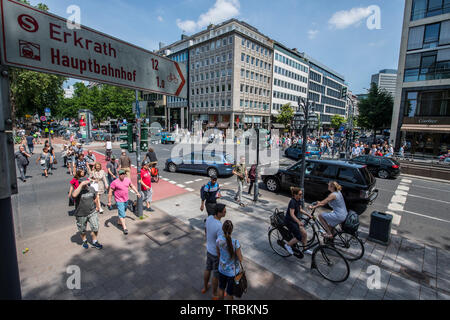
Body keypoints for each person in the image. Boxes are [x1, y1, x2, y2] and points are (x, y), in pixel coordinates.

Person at [202, 203, 226, 300]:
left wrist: (208, 240)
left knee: (208, 269)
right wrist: (221, 257)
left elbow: (206, 230)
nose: (225, 213)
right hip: (216, 254)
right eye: (224, 211)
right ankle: (215, 294)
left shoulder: (209, 218)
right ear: (219, 213)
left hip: (209, 250)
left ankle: (205, 287)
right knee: (216, 275)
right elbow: (220, 245)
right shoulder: (220, 227)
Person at [71, 177, 103, 250]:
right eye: (84, 183)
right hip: (81, 214)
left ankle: (95, 242)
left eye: (86, 183)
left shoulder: (91, 189)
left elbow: (95, 198)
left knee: (95, 227)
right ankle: (84, 241)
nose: (86, 185)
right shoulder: (78, 191)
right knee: (82, 229)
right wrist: (81, 185)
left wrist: (97, 207)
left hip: (92, 211)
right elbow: (74, 195)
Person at [215, 220, 244, 300]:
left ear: (222, 228)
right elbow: (240, 259)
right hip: (232, 273)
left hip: (222, 269)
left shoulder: (218, 240)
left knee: (221, 289)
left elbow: (218, 254)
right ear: (232, 230)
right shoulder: (235, 243)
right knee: (229, 293)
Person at [107, 169, 141, 235]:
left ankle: (119, 221)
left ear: (125, 174)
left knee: (124, 210)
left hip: (126, 199)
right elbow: (110, 192)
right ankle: (124, 228)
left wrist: (137, 192)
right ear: (118, 175)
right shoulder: (114, 182)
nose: (122, 175)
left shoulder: (127, 180)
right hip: (119, 200)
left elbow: (132, 186)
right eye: (121, 174)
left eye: (123, 174)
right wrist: (109, 202)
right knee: (122, 214)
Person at [283, 187, 314, 257]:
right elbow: (292, 214)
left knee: (305, 234)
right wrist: (298, 222)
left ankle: (305, 249)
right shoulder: (292, 202)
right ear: (295, 194)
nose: (301, 196)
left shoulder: (298, 200)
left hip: (295, 220)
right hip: (289, 221)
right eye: (300, 194)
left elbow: (300, 210)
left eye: (301, 194)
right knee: (299, 237)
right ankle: (287, 245)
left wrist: (308, 215)